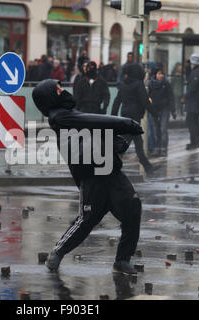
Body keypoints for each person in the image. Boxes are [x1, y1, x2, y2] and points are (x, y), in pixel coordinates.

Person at [32, 79, 144, 275]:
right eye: (58, 90)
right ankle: (57, 253)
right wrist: (126, 124)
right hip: (91, 177)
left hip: (111, 172)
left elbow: (95, 130)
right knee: (87, 220)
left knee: (132, 209)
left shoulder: (72, 115)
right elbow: (95, 122)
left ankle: (122, 260)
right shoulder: (60, 118)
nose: (63, 90)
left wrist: (118, 140)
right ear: (49, 98)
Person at [111, 63, 159, 175]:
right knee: (131, 142)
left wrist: (112, 116)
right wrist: (155, 114)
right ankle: (113, 165)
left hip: (125, 115)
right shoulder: (138, 84)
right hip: (134, 115)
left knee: (134, 141)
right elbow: (145, 101)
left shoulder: (122, 84)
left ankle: (148, 167)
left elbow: (117, 101)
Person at [148, 68, 176, 157]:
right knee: (156, 130)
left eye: (162, 74)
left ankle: (163, 148)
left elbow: (171, 97)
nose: (161, 76)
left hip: (165, 109)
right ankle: (157, 148)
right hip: (154, 109)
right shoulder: (150, 84)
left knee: (163, 129)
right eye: (159, 73)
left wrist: (173, 110)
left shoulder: (166, 84)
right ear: (155, 75)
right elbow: (147, 96)